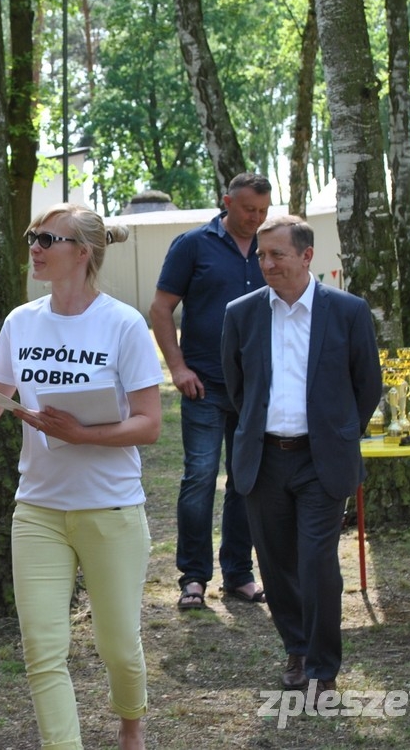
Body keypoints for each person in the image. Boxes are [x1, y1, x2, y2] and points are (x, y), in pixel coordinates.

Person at [0, 203, 162, 750]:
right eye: (34, 236)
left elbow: (149, 424)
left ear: (83, 253)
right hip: (38, 511)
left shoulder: (123, 323)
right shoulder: (21, 322)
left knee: (118, 646)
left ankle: (131, 725)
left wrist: (82, 434)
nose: (35, 247)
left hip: (110, 509)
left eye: (49, 239)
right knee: (42, 650)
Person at [221, 215, 379, 697]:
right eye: (261, 255)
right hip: (264, 458)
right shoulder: (241, 313)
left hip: (321, 460)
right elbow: (237, 388)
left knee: (316, 564)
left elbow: (367, 385)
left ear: (307, 256)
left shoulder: (347, 311)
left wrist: (337, 434)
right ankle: (297, 648)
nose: (266, 263)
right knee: (275, 564)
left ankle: (323, 665)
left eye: (277, 254)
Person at [151, 173, 271, 610]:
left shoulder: (270, 245)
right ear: (227, 202)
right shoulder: (192, 245)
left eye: (263, 211)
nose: (255, 218)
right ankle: (194, 578)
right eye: (248, 209)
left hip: (255, 387)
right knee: (200, 478)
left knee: (246, 481)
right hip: (203, 385)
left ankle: (239, 574)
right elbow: (161, 309)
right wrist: (177, 368)